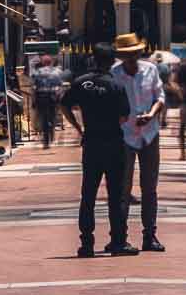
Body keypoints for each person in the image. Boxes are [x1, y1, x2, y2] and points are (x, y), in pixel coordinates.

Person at [61, 45, 136, 257]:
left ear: (93, 59)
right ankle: (118, 242)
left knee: (88, 195)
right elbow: (124, 117)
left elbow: (64, 105)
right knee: (116, 195)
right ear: (112, 61)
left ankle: (86, 244)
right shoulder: (116, 85)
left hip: (91, 142)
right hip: (113, 143)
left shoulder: (81, 83)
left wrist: (79, 128)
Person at [111, 31, 166, 252]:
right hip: (124, 135)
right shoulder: (114, 74)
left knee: (149, 188)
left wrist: (152, 114)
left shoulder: (150, 70)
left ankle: (149, 235)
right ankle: (120, 236)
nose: (132, 59)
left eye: (134, 54)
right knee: (123, 188)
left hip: (149, 134)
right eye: (127, 55)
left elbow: (159, 97)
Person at [32, 53, 65, 148]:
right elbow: (60, 86)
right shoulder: (57, 72)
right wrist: (59, 97)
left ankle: (46, 140)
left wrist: (34, 100)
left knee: (43, 118)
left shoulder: (37, 72)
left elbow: (34, 87)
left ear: (42, 62)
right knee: (52, 116)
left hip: (41, 97)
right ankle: (51, 132)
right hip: (52, 97)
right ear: (51, 62)